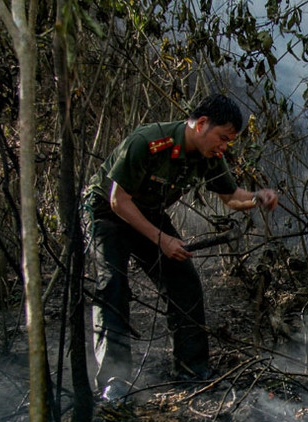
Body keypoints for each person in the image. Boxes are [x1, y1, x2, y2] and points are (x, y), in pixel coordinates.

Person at [84, 94, 278, 401]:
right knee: (113, 288)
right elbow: (118, 201)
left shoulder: (208, 155)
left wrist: (257, 198)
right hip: (107, 214)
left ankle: (192, 369)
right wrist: (161, 239)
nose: (224, 147)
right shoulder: (148, 142)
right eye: (222, 138)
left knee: (184, 281)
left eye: (229, 142)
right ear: (201, 124)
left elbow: (231, 197)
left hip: (148, 214)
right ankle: (114, 382)